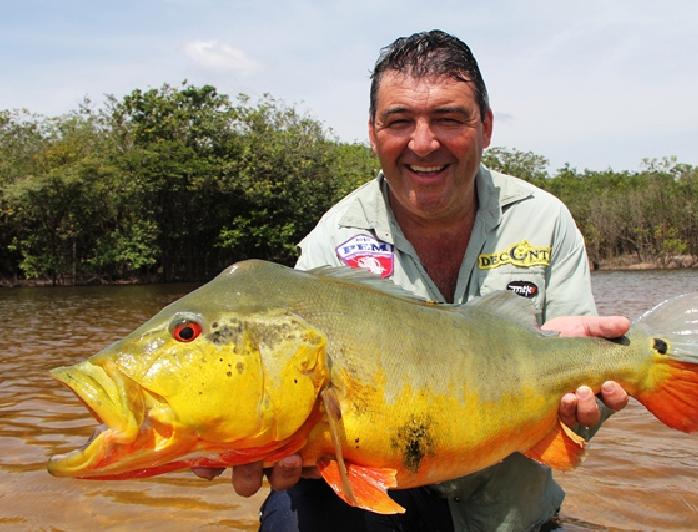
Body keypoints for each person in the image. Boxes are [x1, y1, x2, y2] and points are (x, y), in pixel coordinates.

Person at [195, 30, 630, 531]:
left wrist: (589, 391)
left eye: (449, 119)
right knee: (291, 514)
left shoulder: (544, 219)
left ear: (486, 127)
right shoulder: (333, 239)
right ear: (373, 133)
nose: (423, 143)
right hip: (380, 504)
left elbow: (583, 391)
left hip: (507, 512)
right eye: (399, 121)